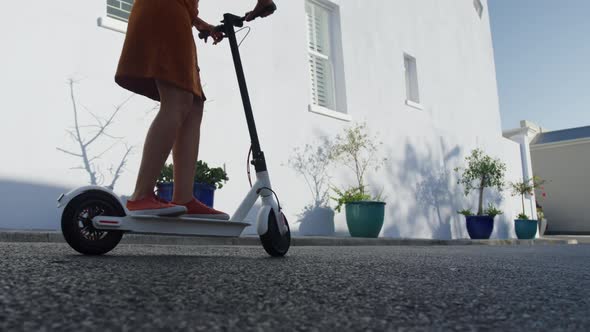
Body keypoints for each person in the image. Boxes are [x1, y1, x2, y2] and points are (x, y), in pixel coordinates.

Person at [115, 0, 276, 218]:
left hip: (177, 14)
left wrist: (197, 21)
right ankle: (141, 196)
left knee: (193, 104)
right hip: (167, 11)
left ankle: (183, 196)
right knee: (178, 100)